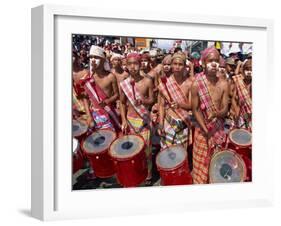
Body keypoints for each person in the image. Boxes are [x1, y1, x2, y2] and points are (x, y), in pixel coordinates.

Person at [191, 47, 229, 184]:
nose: (214, 64)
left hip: (218, 130)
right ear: (203, 63)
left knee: (216, 165)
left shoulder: (224, 83)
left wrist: (217, 113)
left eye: (216, 60)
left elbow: (225, 109)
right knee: (201, 167)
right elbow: (195, 109)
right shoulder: (196, 84)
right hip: (202, 131)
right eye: (210, 60)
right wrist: (205, 129)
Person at [119, 53, 154, 184]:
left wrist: (144, 100)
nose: (133, 67)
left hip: (144, 120)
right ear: (126, 66)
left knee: (146, 151)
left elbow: (152, 100)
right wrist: (123, 120)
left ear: (140, 65)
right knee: (133, 150)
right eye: (130, 64)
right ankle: (135, 172)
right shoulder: (124, 84)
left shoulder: (147, 81)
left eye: (135, 63)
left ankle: (148, 174)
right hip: (130, 120)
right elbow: (122, 103)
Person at [157, 52, 193, 150]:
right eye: (175, 64)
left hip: (183, 122)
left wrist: (179, 105)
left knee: (180, 153)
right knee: (166, 152)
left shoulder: (190, 84)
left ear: (185, 66)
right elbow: (161, 105)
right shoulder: (164, 83)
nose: (177, 67)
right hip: (168, 121)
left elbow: (192, 105)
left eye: (180, 64)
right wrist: (160, 124)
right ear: (172, 65)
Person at [83, 45, 121, 131]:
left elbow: (116, 94)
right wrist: (89, 117)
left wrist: (107, 101)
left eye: (96, 57)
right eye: (91, 57)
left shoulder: (111, 76)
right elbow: (85, 98)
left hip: (109, 114)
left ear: (103, 60)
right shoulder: (88, 77)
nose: (92, 60)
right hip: (94, 116)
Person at [231, 58, 252, 129]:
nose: (249, 72)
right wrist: (236, 110)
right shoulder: (239, 82)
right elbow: (233, 98)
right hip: (240, 114)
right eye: (247, 70)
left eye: (251, 70)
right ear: (243, 71)